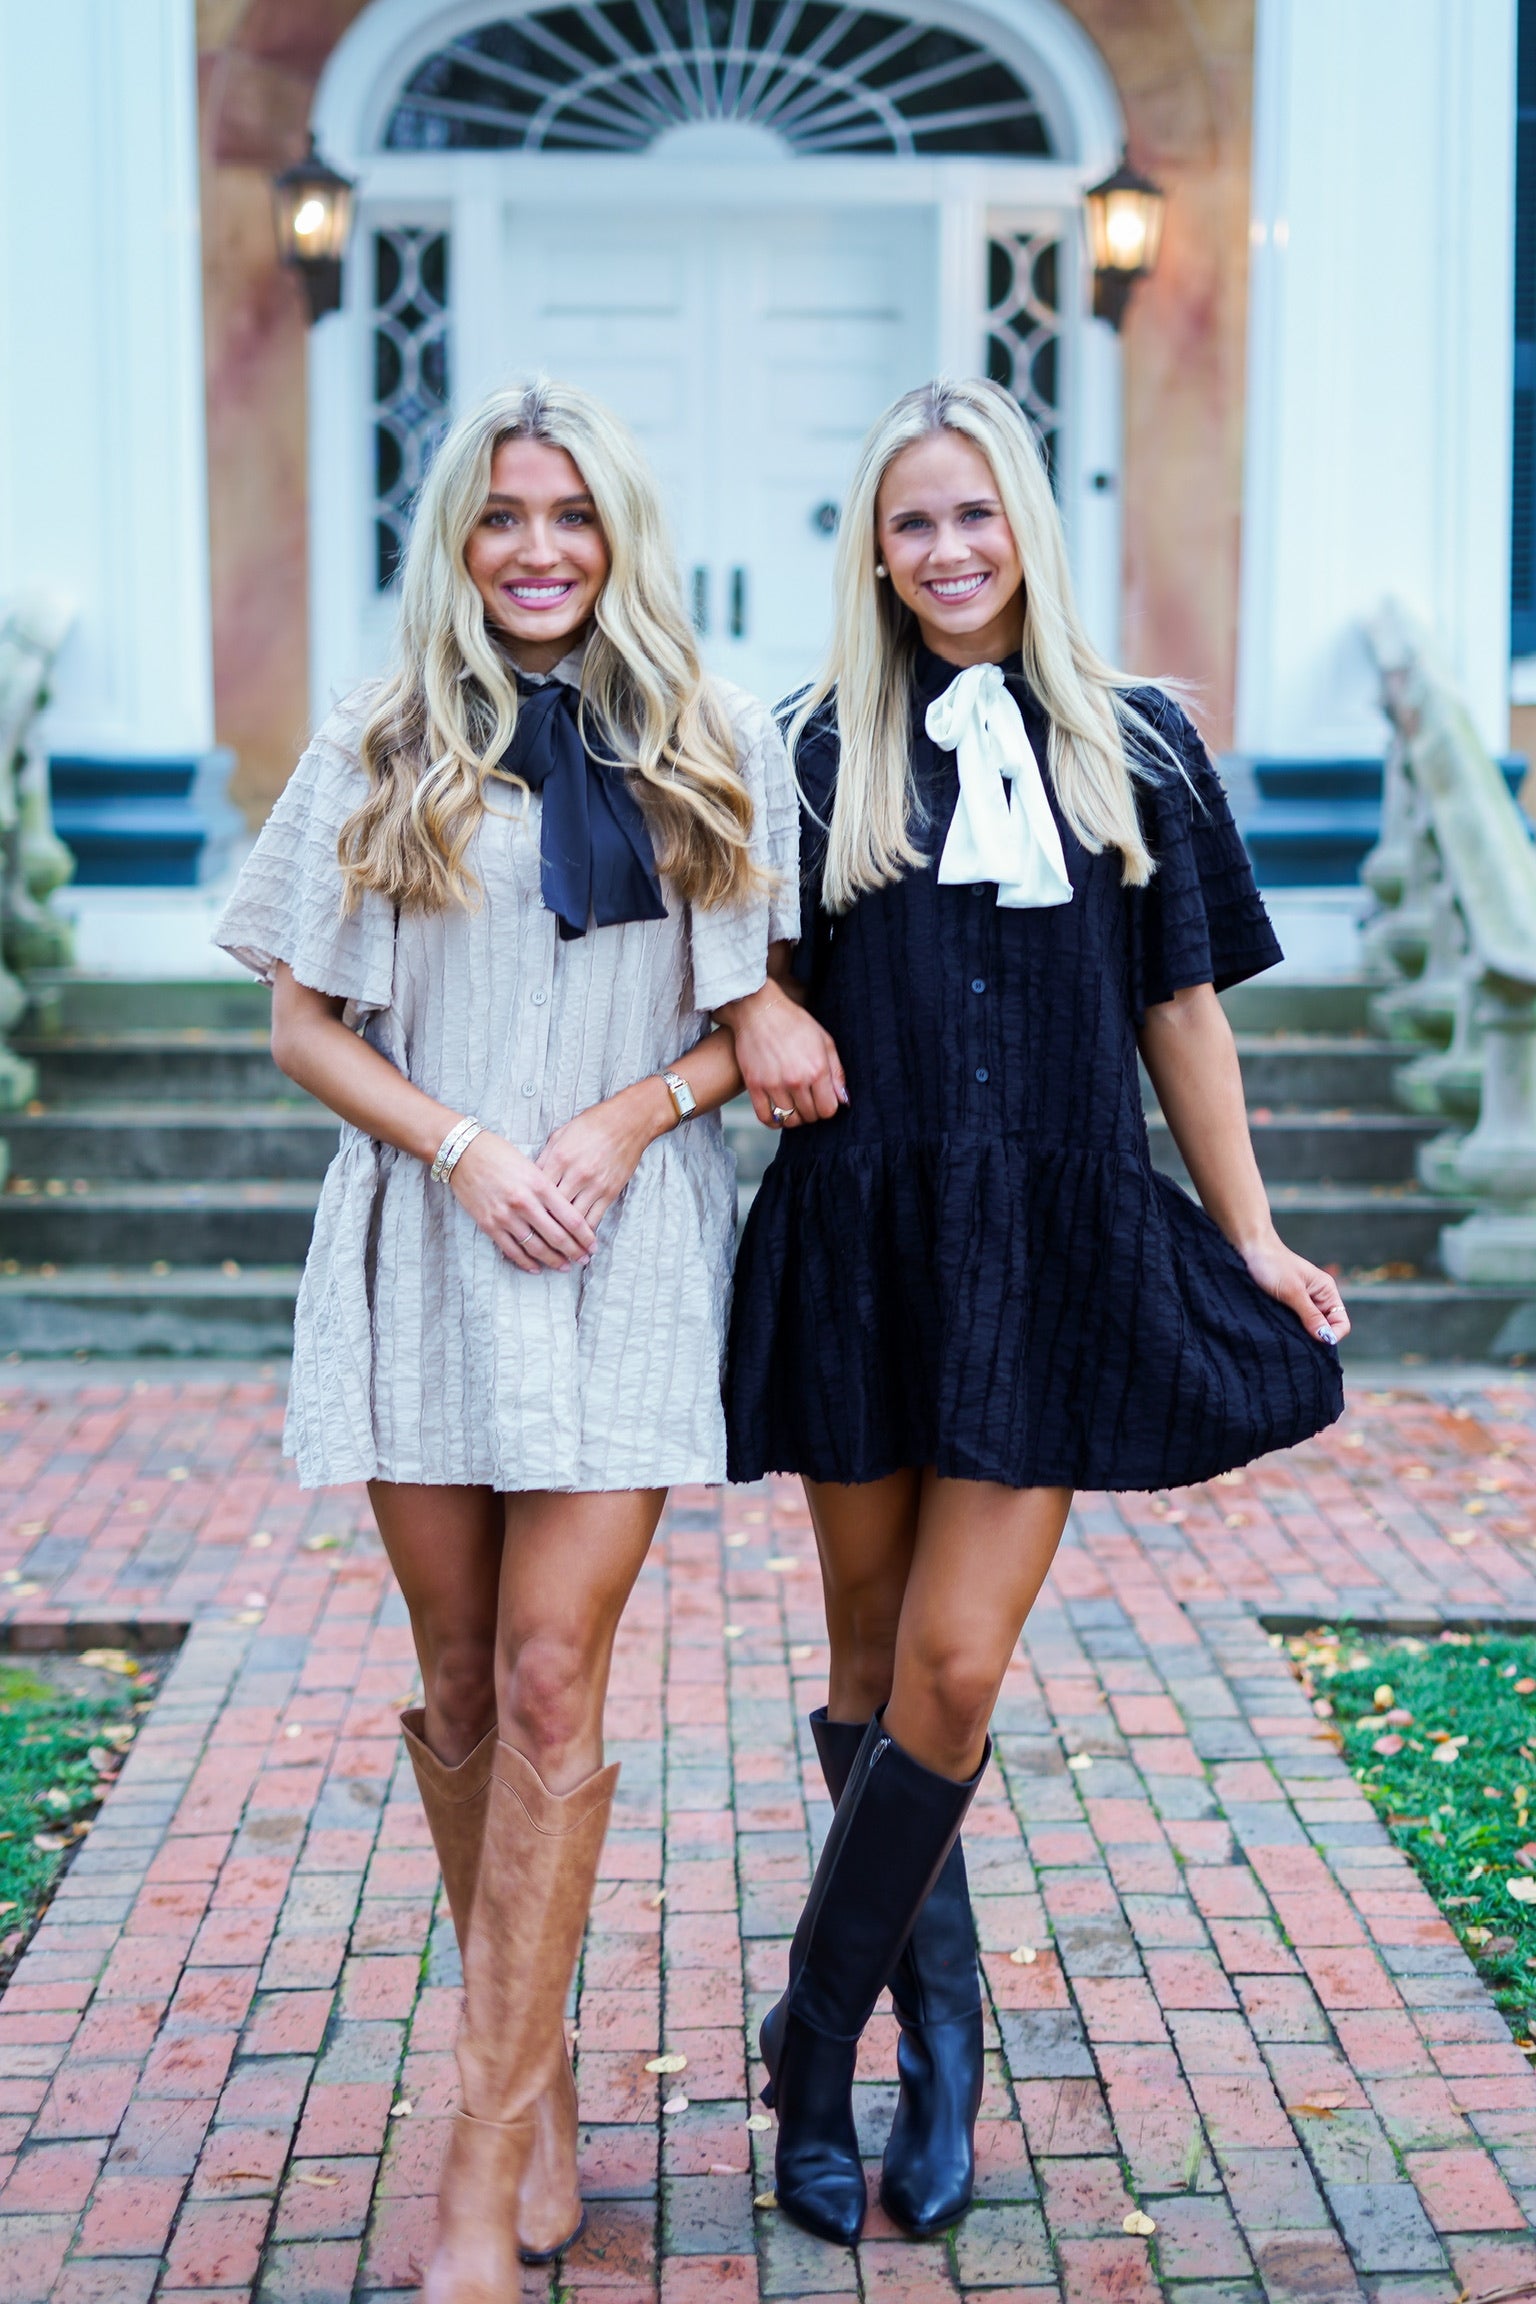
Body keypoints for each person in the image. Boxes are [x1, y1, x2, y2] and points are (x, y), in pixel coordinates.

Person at [215, 378, 841, 2304]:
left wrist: (623, 1123)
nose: (539, 548)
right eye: (503, 516)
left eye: (571, 514)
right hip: (430, 1237)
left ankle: (480, 2165)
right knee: (465, 1683)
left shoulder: (715, 736)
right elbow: (302, 1025)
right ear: (460, 542)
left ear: (619, 532)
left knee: (557, 1675)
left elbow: (757, 1024)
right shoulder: (380, 735)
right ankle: (540, 2072)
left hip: (623, 1245)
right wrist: (467, 1148)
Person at [725, 376, 1348, 2248]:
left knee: (954, 1667)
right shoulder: (812, 747)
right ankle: (923, 2043)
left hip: (1049, 1245)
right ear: (875, 548)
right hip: (865, 1240)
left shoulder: (1140, 745)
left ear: (1029, 525)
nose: (949, 550)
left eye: (976, 514)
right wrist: (761, 1009)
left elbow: (1183, 1012)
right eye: (913, 521)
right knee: (863, 1663)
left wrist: (1248, 1233)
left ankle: (816, 2037)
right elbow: (744, 976)